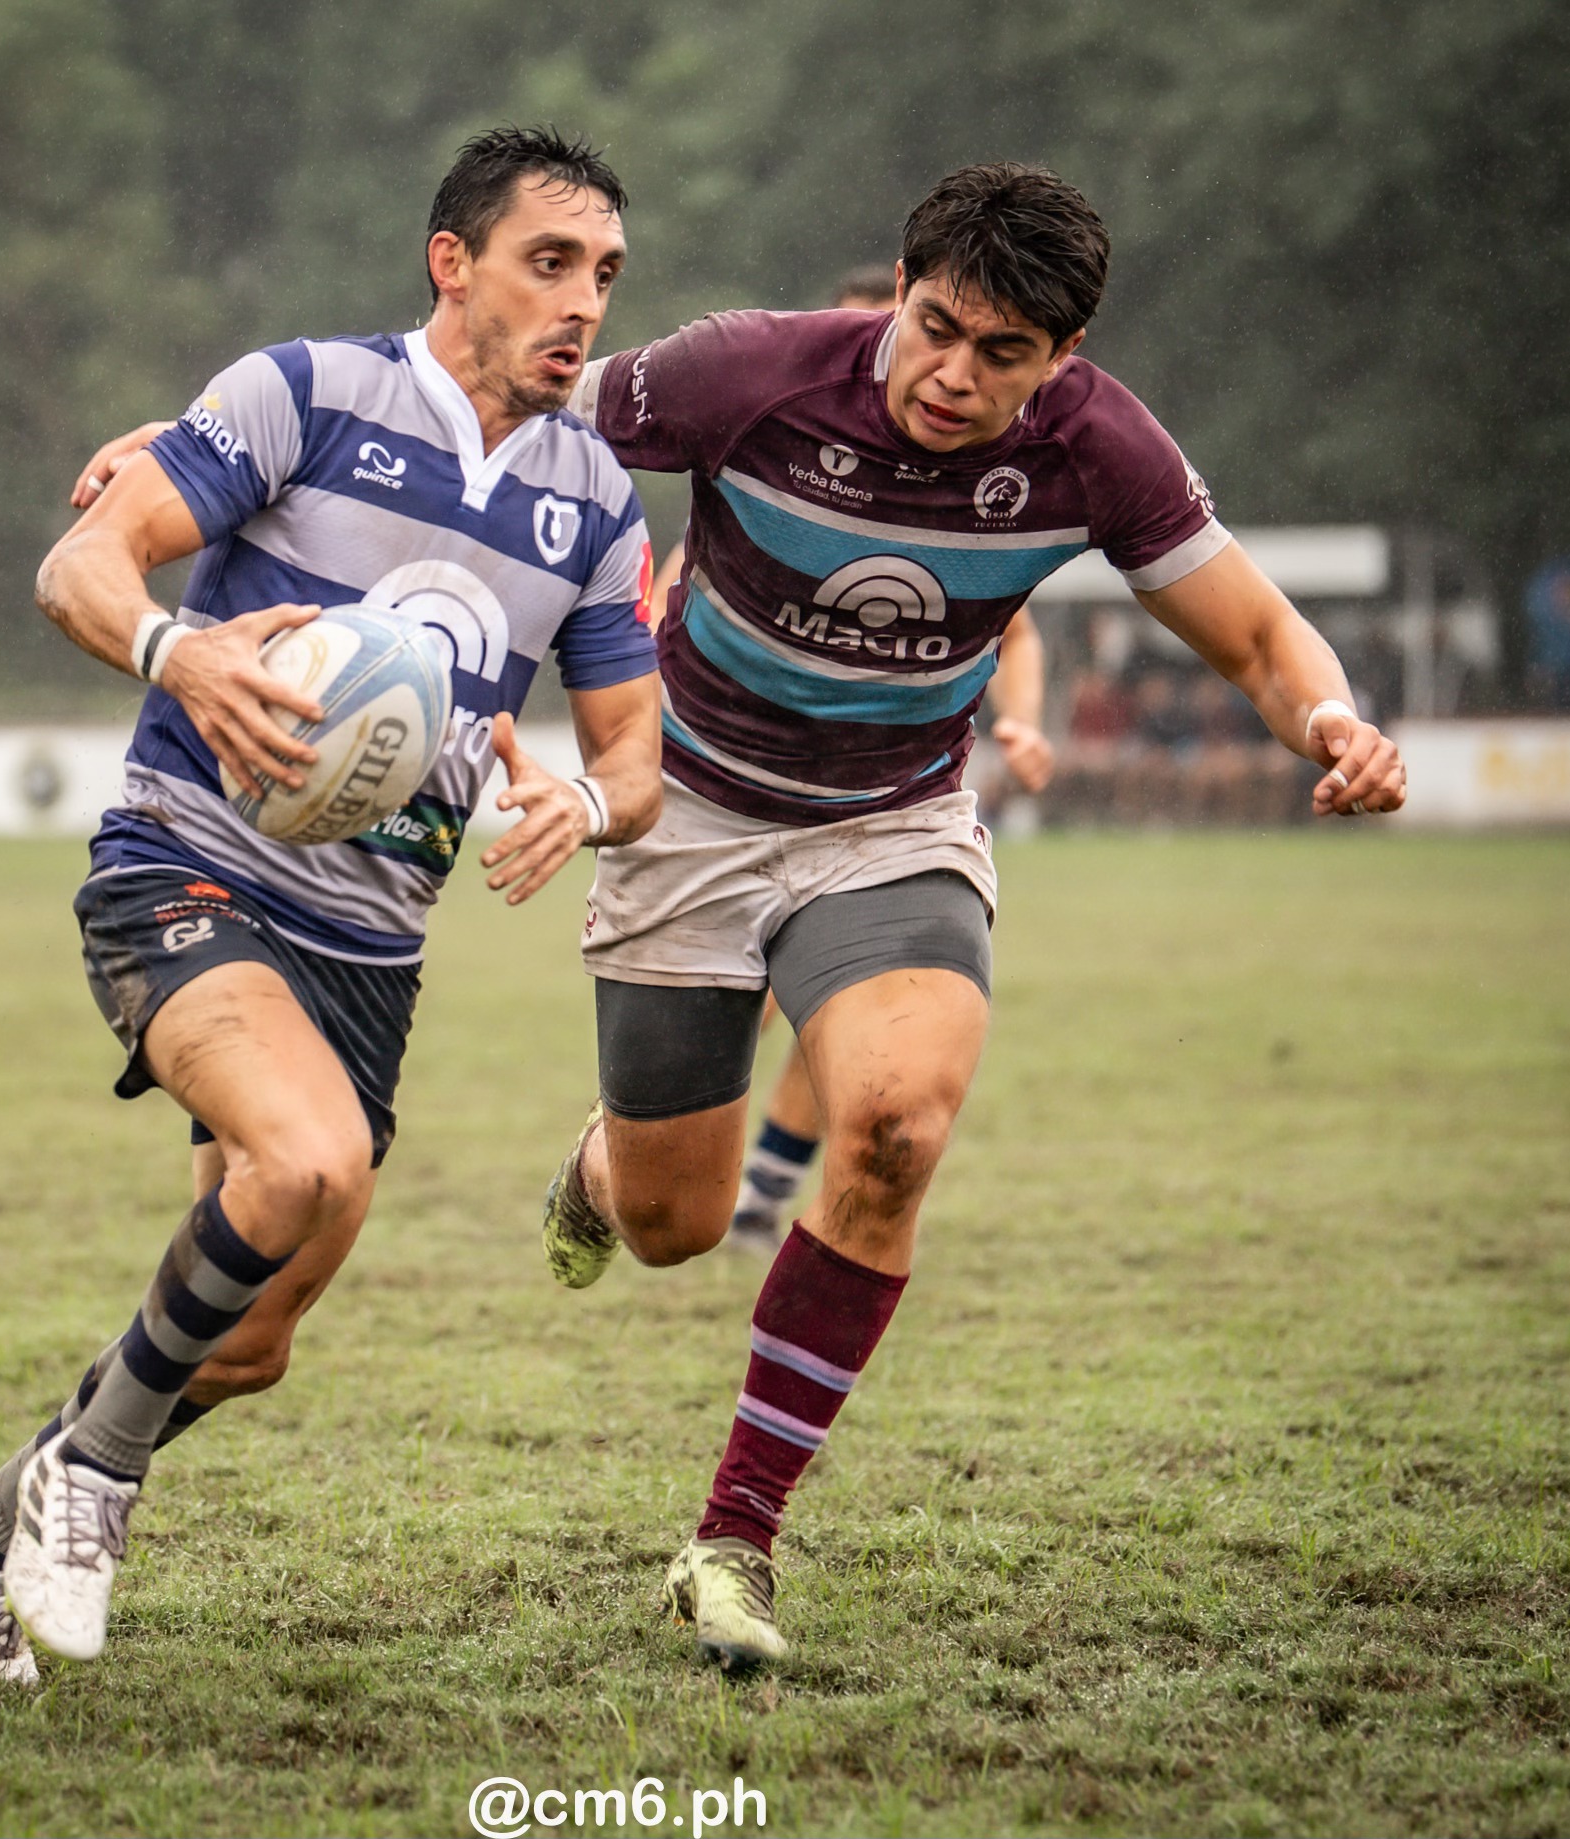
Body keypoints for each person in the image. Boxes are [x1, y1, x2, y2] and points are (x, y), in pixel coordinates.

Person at [541, 162, 1406, 1669]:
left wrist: (1331, 720)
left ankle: (735, 1537)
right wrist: (243, 451)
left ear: (1063, 356)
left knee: (894, 1130)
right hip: (685, 816)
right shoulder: (747, 370)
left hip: (892, 826)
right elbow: (495, 411)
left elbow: (1261, 635)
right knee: (676, 1224)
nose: (955, 374)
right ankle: (606, 1166)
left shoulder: (1099, 448)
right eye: (937, 327)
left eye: (1003, 353)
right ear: (901, 287)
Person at [0, 127, 661, 1685]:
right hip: (186, 864)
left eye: (602, 274)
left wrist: (580, 801)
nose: (582, 301)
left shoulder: (595, 498)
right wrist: (176, 650)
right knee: (302, 1154)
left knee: (249, 1337)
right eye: (549, 261)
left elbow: (635, 755)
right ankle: (95, 1478)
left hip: (374, 946)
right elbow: (84, 561)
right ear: (450, 260)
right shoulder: (304, 393)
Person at [651, 269, 1057, 1255]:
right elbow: (668, 593)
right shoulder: (764, 467)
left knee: (845, 1021)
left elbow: (1017, 632)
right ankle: (653, 1148)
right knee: (719, 1053)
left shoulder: (958, 506)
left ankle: (765, 1195)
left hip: (877, 811)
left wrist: (1024, 722)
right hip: (717, 800)